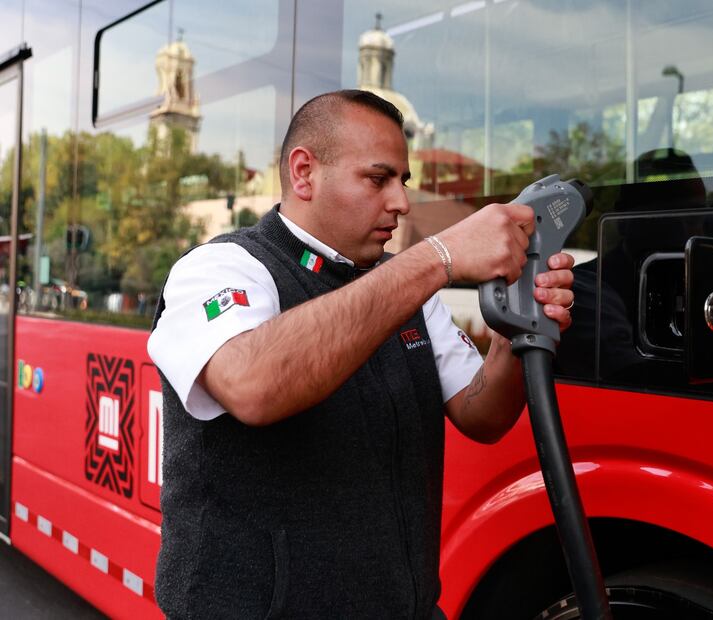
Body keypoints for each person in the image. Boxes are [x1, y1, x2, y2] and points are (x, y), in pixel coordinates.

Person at [147, 89, 576, 619]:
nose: (400, 202)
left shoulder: (405, 287)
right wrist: (438, 256)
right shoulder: (221, 268)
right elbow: (252, 386)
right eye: (378, 179)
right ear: (303, 173)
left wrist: (517, 329)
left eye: (403, 181)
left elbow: (482, 414)